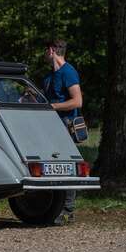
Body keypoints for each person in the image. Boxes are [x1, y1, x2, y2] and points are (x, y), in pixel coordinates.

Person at [42, 39, 83, 225]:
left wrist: (52, 106)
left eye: (45, 50)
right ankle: (53, 208)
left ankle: (68, 210)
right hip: (50, 128)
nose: (43, 54)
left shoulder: (69, 72)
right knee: (52, 170)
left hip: (66, 126)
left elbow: (77, 102)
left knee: (67, 167)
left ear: (51, 50)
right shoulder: (48, 77)